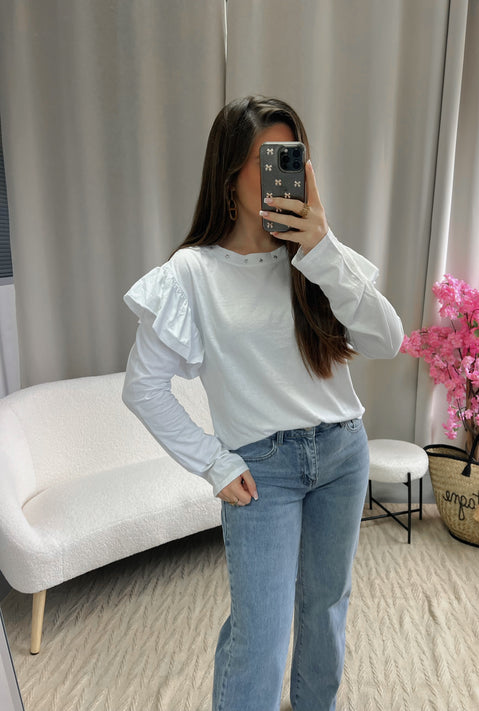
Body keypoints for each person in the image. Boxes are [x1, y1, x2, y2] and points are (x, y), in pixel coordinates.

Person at [122, 95, 403, 711]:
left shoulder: (316, 257)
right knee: (262, 636)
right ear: (229, 175)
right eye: (265, 158)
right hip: (261, 472)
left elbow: (388, 340)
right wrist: (213, 462)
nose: (284, 171)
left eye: (292, 156)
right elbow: (142, 386)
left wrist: (322, 248)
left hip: (343, 452)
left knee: (327, 609)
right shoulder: (191, 274)